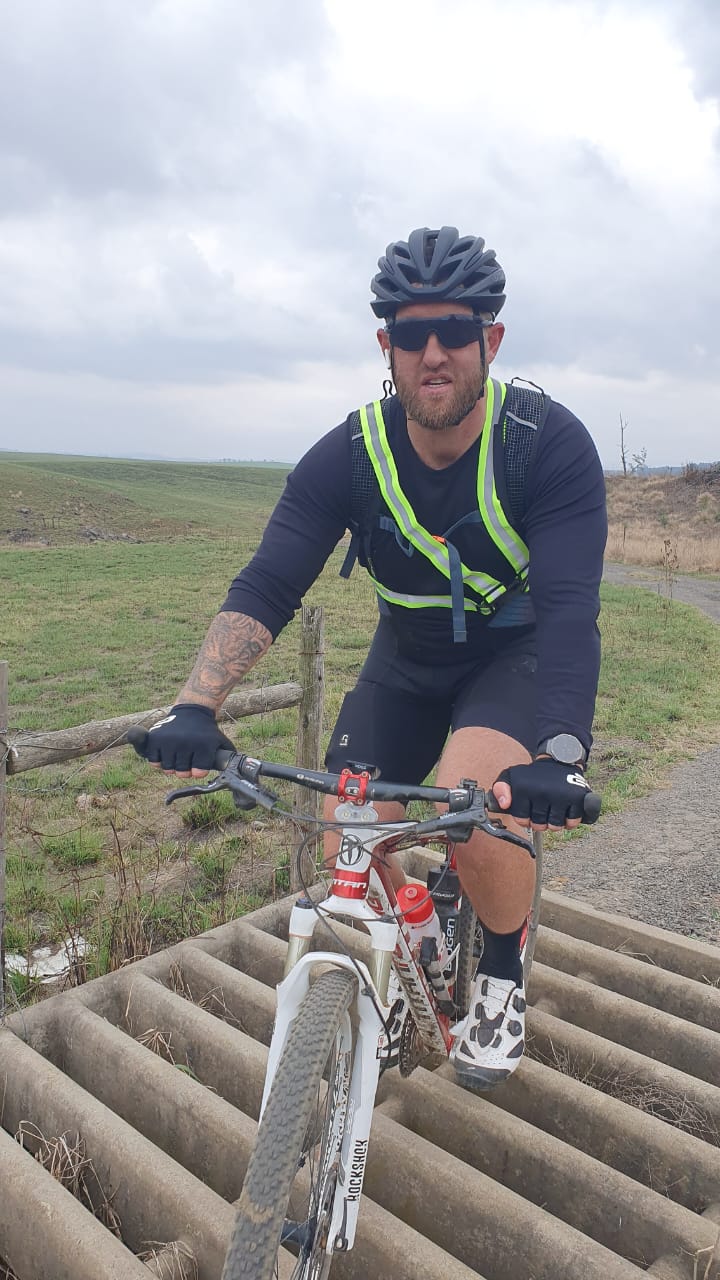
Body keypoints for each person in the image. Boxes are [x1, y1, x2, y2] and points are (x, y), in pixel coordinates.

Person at [132, 226, 607, 1090]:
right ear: (386, 345)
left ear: (491, 341)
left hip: (515, 656)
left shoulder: (544, 444)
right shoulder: (352, 455)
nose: (434, 352)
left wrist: (562, 753)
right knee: (348, 833)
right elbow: (269, 582)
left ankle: (502, 975)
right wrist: (196, 706)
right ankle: (416, 938)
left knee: (478, 811)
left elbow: (573, 610)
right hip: (408, 661)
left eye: (455, 331)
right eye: (412, 333)